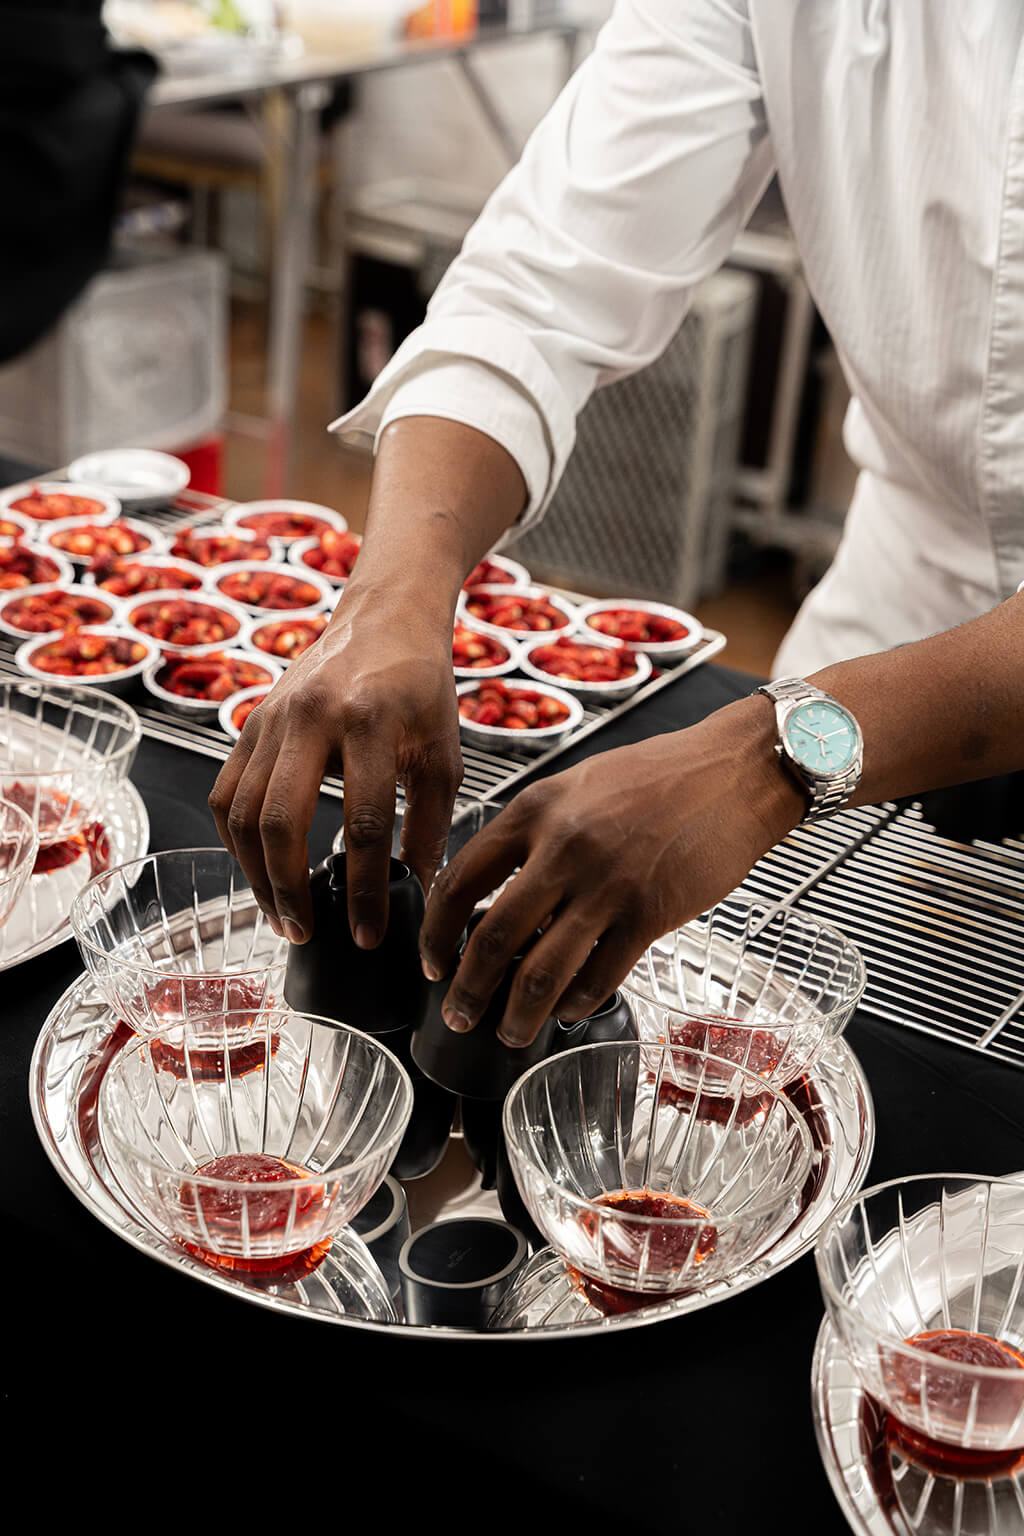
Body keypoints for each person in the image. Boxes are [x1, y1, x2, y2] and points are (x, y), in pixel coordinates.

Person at [211, 0, 1024, 1048]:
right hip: (905, 598)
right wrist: (391, 593)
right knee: (784, 1062)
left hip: (864, 700)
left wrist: (768, 759)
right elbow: (540, 284)